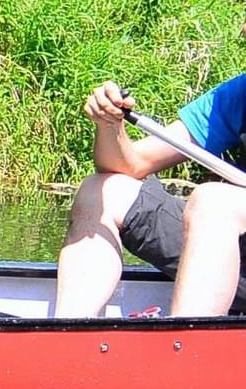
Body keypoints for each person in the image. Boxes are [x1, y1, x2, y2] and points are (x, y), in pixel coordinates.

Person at [54, 74, 246, 317]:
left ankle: (186, 347)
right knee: (101, 191)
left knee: (214, 203)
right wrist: (110, 125)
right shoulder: (239, 94)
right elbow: (132, 164)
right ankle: (67, 338)